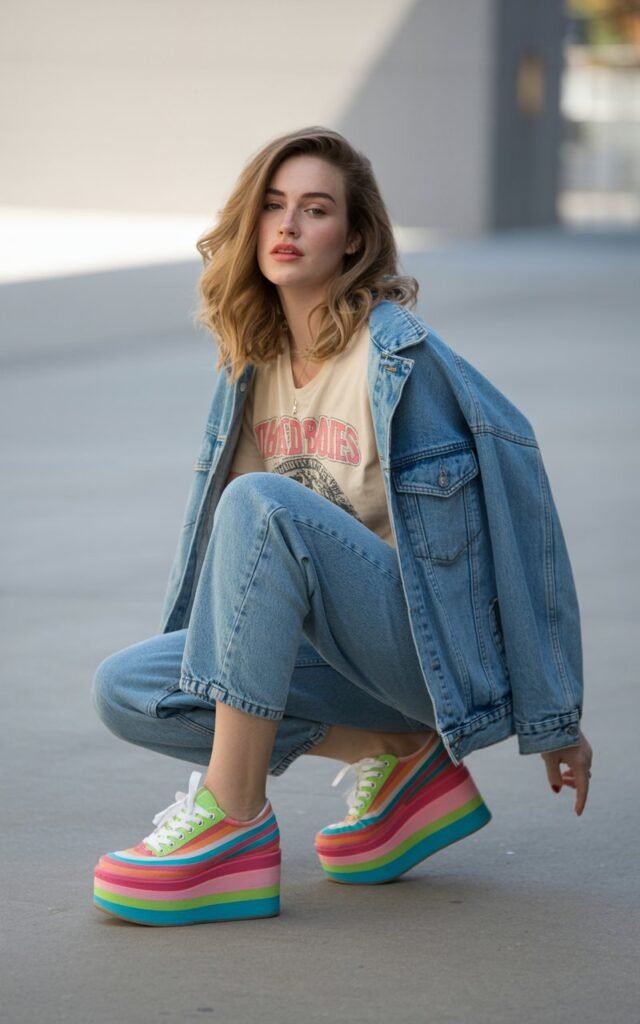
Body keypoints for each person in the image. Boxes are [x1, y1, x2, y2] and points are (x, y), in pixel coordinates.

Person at [92, 126, 593, 927]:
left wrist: (554, 716)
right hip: (337, 658)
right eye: (275, 206)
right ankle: (395, 756)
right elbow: (244, 575)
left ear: (354, 237)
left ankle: (233, 823)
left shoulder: (402, 360)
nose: (288, 226)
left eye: (315, 209)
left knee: (261, 503)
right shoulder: (250, 371)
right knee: (130, 687)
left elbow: (520, 499)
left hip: (419, 652)